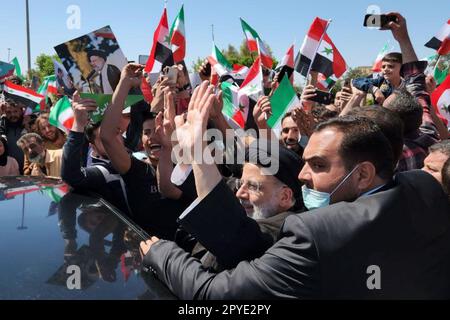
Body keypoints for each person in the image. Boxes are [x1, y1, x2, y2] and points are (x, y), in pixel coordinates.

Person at [100, 63, 182, 240]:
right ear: (141, 140)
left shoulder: (186, 168)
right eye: (146, 133)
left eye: (159, 130)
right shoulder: (136, 169)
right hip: (151, 254)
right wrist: (124, 84)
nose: (153, 137)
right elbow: (106, 135)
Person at [0, 99, 27, 174]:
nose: (12, 115)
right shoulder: (2, 128)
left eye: (15, 111)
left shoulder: (29, 126)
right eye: (9, 112)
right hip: (8, 174)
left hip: (28, 172)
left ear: (21, 111)